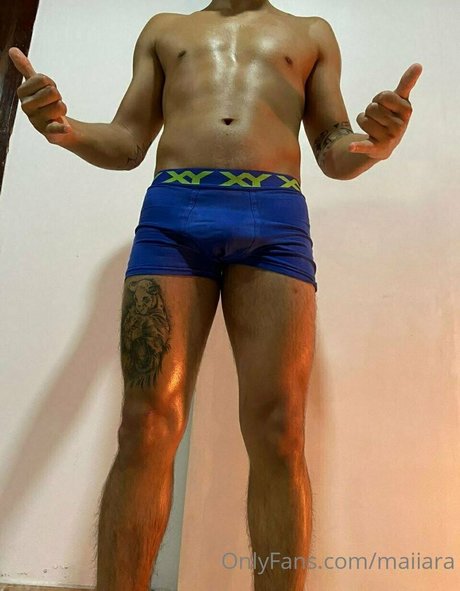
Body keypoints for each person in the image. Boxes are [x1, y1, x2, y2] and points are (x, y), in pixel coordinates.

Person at [9, 1, 421, 589]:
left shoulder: (310, 33)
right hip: (173, 218)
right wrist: (66, 130)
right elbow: (127, 141)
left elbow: (334, 149)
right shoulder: (166, 29)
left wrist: (374, 144)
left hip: (274, 223)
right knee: (144, 423)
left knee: (280, 430)